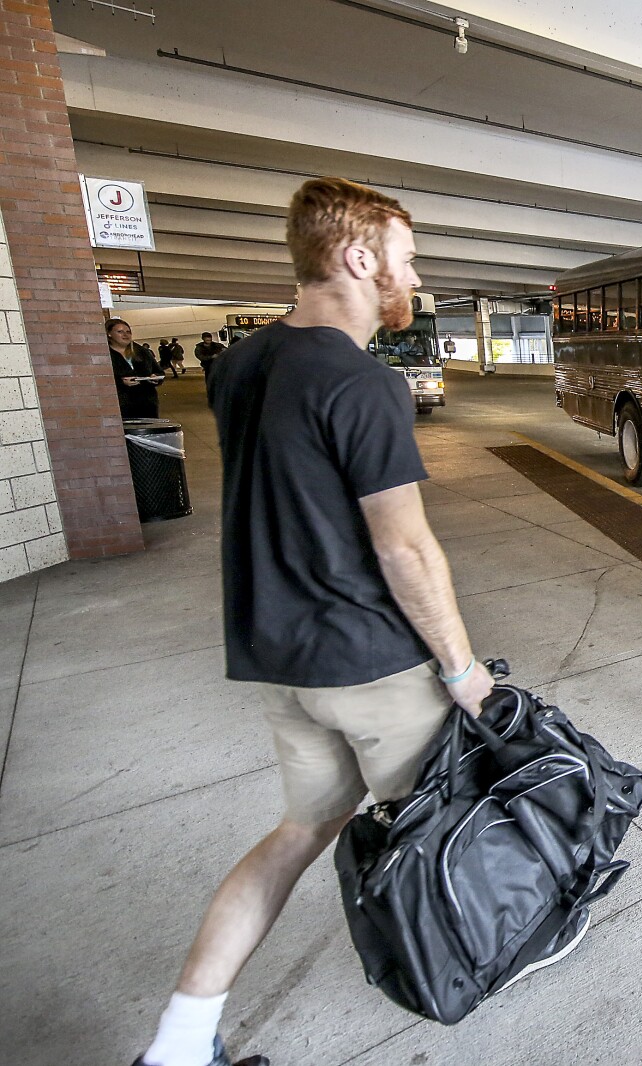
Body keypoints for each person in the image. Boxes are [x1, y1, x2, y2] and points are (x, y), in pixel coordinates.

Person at [132, 177, 500, 1066]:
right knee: (451, 832)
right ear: (360, 257)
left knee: (300, 831)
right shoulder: (362, 382)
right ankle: (452, 976)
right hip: (369, 661)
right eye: (408, 259)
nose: (416, 275)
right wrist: (459, 668)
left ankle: (178, 1046)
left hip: (282, 660)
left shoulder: (242, 364)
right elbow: (404, 550)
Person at [108, 318, 162, 419]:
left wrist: (156, 378)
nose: (125, 334)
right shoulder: (105, 355)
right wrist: (121, 382)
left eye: (128, 332)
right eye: (120, 332)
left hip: (147, 404)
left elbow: (158, 371)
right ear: (109, 334)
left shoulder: (142, 351)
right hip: (121, 405)